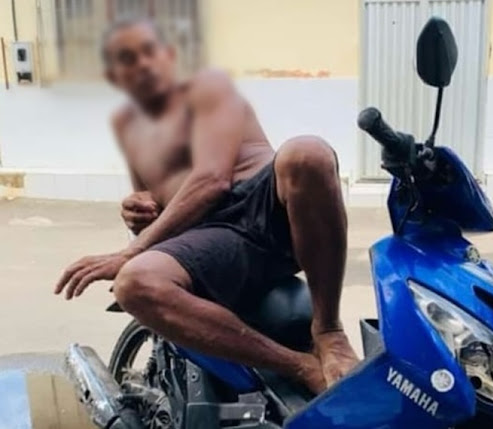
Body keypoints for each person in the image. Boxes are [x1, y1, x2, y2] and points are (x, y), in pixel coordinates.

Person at [53, 18, 359, 393]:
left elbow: (212, 180)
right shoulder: (126, 125)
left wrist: (130, 251)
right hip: (211, 239)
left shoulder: (208, 89)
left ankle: (328, 332)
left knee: (307, 153)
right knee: (134, 284)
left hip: (264, 206)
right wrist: (137, 208)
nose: (143, 64)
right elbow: (149, 207)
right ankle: (298, 366)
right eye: (128, 59)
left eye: (149, 52)